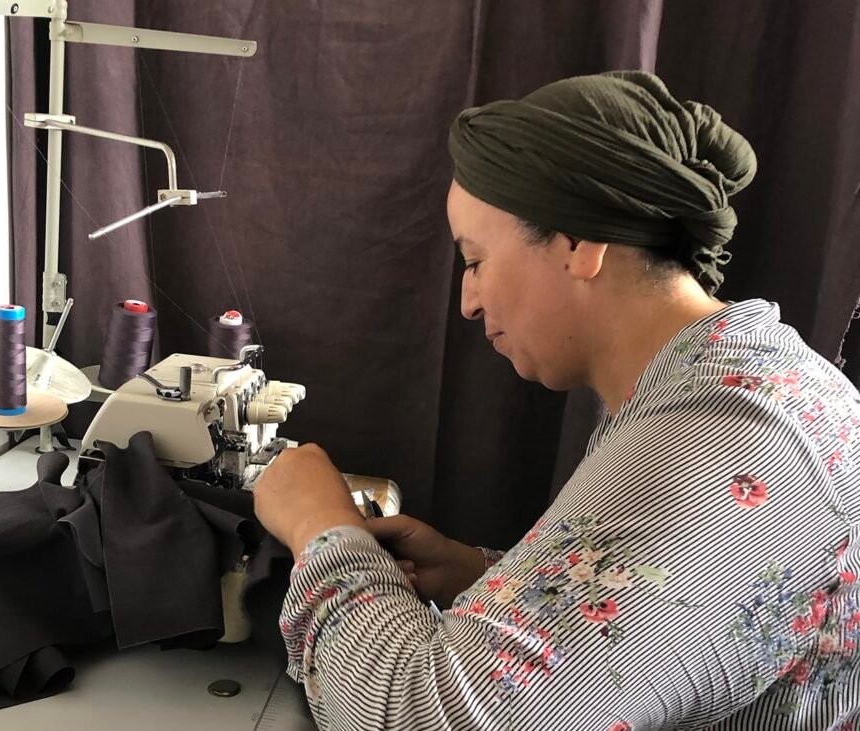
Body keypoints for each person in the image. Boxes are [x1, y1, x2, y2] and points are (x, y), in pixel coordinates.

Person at [252, 70, 860, 730]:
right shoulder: (731, 383)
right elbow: (688, 619)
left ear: (578, 243)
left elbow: (427, 716)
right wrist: (484, 575)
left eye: (476, 261)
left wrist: (321, 528)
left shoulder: (724, 443)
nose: (468, 301)